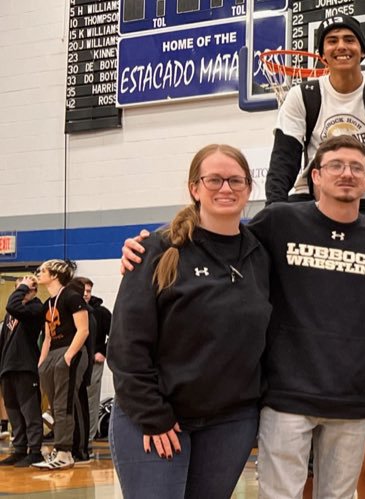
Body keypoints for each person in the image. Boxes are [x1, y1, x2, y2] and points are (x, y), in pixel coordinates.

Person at [124, 135, 365, 498]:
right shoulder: (279, 221)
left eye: (357, 167)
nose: (347, 173)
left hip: (350, 396)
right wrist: (154, 244)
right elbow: (219, 237)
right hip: (286, 394)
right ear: (315, 177)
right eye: (336, 165)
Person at [108, 144, 272, 497]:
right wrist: (153, 414)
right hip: (154, 415)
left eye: (235, 180)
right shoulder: (157, 248)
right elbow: (125, 343)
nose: (225, 188)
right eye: (213, 180)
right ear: (194, 188)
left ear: (248, 189)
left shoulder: (262, 254)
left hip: (230, 422)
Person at [264, 15, 365, 248]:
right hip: (313, 197)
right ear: (322, 55)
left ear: (363, 51)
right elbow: (284, 159)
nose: (341, 46)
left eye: (349, 40)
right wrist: (274, 207)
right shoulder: (302, 95)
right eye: (332, 41)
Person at [32, 259, 90, 470]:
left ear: (55, 275)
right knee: (54, 403)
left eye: (42, 270)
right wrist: (42, 363)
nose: (38, 273)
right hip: (52, 354)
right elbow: (47, 337)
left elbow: (83, 330)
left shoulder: (72, 297)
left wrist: (68, 357)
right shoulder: (48, 302)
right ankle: (62, 447)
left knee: (63, 402)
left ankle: (66, 452)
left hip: (70, 350)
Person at [1, 275, 46, 467]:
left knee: (30, 410)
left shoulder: (36, 308)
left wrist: (24, 288)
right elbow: (3, 341)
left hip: (25, 366)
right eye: (19, 290)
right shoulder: (11, 314)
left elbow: (13, 305)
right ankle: (19, 449)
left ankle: (35, 450)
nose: (19, 294)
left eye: (24, 290)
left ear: (33, 291)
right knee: (13, 411)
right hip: (8, 367)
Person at [75, 277, 111, 441]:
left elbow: (116, 333)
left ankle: (87, 438)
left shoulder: (102, 312)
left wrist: (103, 351)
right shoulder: (71, 310)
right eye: (84, 291)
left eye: (89, 291)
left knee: (90, 400)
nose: (86, 294)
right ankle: (75, 436)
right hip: (74, 360)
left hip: (93, 361)